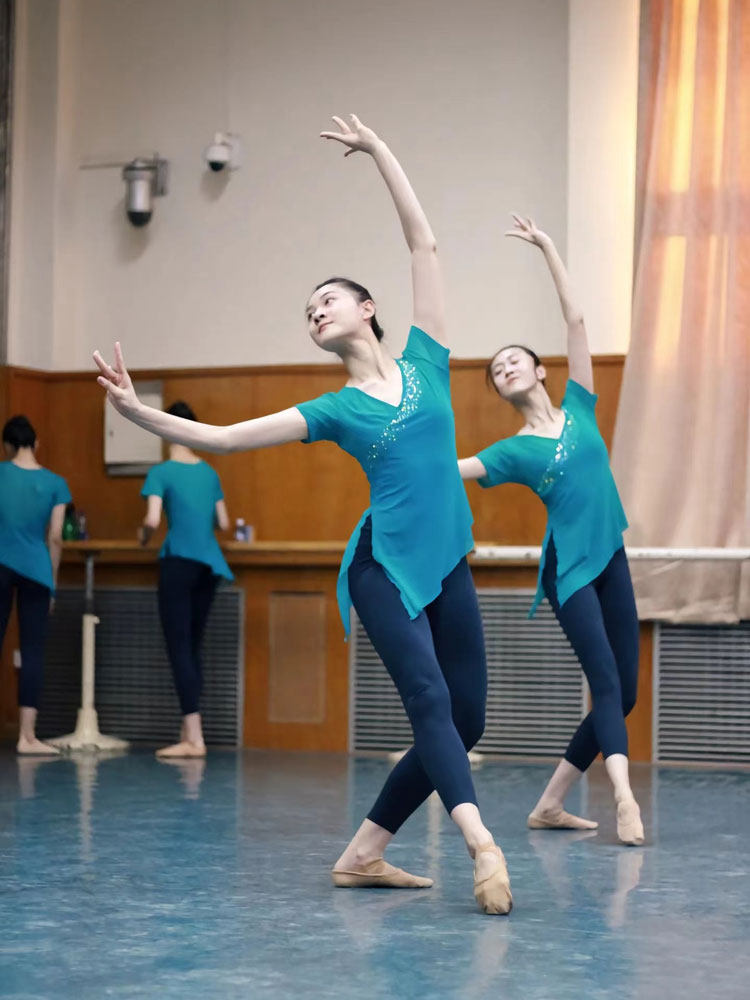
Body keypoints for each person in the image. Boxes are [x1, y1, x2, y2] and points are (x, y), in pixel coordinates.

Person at [94, 115, 512, 915]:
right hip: (382, 568)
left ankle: (363, 853)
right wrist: (138, 412)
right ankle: (481, 844)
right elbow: (224, 438)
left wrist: (380, 151)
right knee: (429, 702)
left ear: (368, 307)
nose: (316, 311)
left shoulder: (427, 359)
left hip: (447, 561)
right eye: (308, 309)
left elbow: (424, 244)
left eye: (328, 299)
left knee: (470, 718)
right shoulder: (334, 409)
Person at [459, 215, 643, 846]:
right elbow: (452, 469)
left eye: (515, 360)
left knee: (625, 693)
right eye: (496, 369)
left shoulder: (581, 406)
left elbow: (577, 321)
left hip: (611, 557)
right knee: (607, 684)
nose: (505, 368)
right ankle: (624, 797)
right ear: (501, 390)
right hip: (569, 572)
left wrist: (547, 248)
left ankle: (549, 805)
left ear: (540, 371)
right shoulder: (511, 451)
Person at [139, 401, 233, 758]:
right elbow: (224, 522)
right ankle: (191, 732)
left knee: (179, 647)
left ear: (166, 430)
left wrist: (143, 538)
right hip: (209, 565)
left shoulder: (161, 472)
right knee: (192, 647)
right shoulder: (209, 473)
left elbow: (151, 521)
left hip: (178, 561)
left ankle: (194, 739)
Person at [0, 415, 71, 754]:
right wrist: (52, 582)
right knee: (32, 652)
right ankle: (27, 737)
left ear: (7, 445)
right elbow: (55, 537)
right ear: (36, 443)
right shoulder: (56, 483)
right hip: (37, 570)